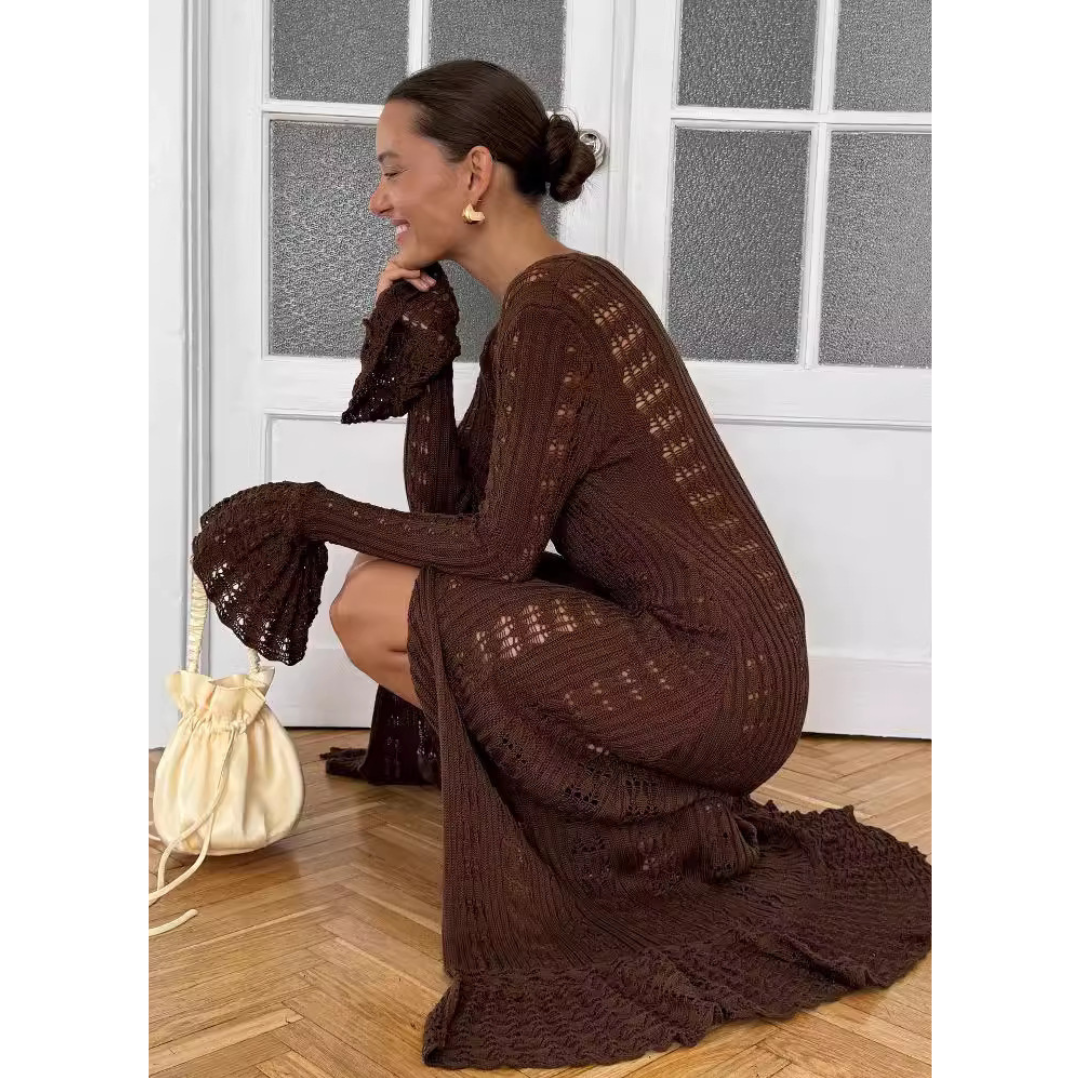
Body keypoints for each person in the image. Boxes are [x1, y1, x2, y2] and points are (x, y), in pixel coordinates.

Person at [192, 59, 931, 1071]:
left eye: (393, 169)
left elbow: (493, 550)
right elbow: (454, 516)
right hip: (707, 653)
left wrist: (306, 509)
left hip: (719, 677)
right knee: (378, 593)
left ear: (473, 174)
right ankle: (576, 796)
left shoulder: (558, 311)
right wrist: (429, 359)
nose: (377, 200)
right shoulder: (543, 306)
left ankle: (597, 822)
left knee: (377, 608)